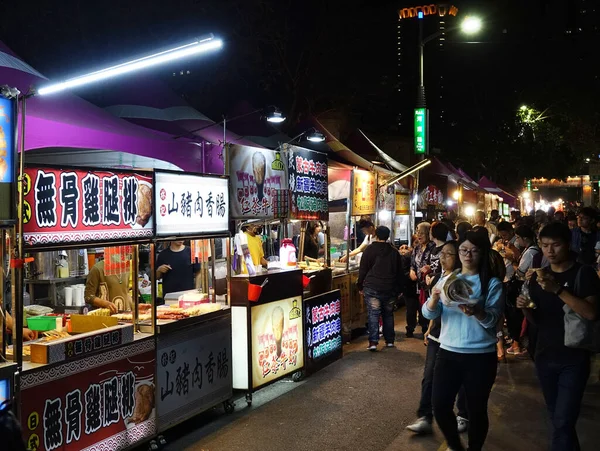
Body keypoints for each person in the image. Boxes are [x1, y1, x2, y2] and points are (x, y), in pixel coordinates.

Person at [517, 221, 599, 451]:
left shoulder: (583, 273)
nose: (550, 251)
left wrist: (558, 290)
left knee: (563, 421)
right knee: (558, 419)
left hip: (574, 358)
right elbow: (537, 321)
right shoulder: (537, 278)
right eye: (544, 246)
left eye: (555, 245)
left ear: (567, 244)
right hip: (544, 355)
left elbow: (591, 313)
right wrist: (525, 307)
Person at [424, 230, 504, 451]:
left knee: (476, 409)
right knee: (439, 405)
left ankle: (474, 449)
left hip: (480, 356)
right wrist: (433, 299)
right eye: (463, 250)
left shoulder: (491, 283)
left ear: (482, 253)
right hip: (448, 352)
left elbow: (493, 321)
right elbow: (429, 314)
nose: (468, 255)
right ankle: (455, 446)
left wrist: (478, 312)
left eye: (474, 250)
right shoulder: (448, 279)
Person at [407, 241, 469, 435]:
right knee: (429, 377)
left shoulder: (462, 280)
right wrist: (430, 327)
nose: (443, 258)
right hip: (437, 335)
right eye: (442, 254)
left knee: (459, 379)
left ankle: (463, 415)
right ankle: (425, 416)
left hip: (456, 338)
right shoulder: (438, 278)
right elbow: (433, 309)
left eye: (448, 254)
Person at [357, 226, 404, 351]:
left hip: (372, 287)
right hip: (390, 287)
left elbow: (363, 269)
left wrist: (360, 285)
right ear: (388, 236)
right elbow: (399, 272)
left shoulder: (369, 250)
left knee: (373, 314)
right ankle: (389, 341)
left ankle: (373, 342)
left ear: (376, 235)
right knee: (388, 314)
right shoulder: (394, 251)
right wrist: (399, 289)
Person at [408, 222, 434, 338]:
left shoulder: (433, 247)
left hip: (428, 284)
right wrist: (412, 271)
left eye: (422, 233)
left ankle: (427, 329)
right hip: (417, 284)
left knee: (427, 306)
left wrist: (429, 269)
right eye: (418, 232)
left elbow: (436, 265)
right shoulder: (417, 248)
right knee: (417, 306)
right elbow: (413, 263)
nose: (419, 235)